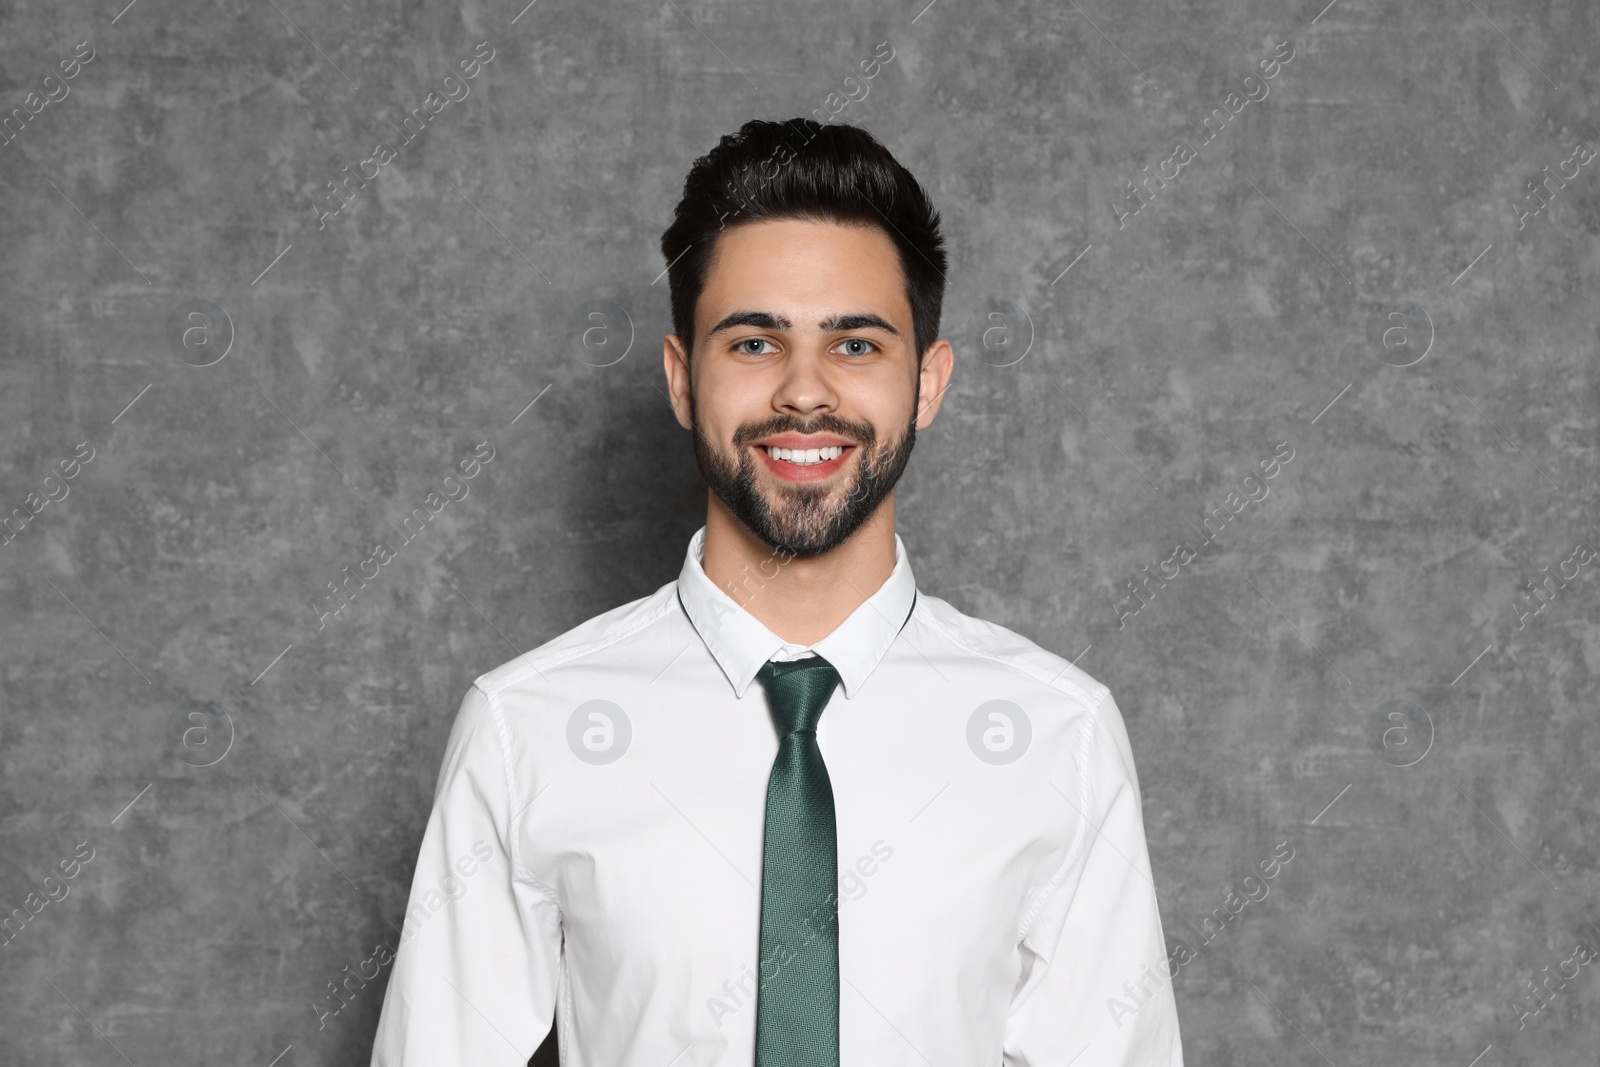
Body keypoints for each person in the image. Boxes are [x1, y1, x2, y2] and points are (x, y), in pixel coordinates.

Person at [370, 116, 1183, 1066]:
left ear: (927, 383)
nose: (804, 392)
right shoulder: (527, 728)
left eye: (856, 346)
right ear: (683, 379)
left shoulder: (1059, 735)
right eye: (755, 344)